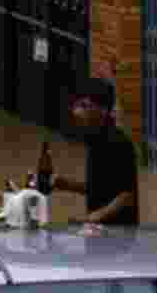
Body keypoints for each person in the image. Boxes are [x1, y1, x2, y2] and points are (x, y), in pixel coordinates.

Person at [45, 77, 140, 225]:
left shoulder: (119, 143)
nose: (77, 111)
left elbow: (126, 196)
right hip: (97, 231)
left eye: (84, 106)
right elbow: (101, 188)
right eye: (77, 105)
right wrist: (65, 184)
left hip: (119, 234)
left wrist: (95, 217)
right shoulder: (94, 139)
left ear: (102, 110)